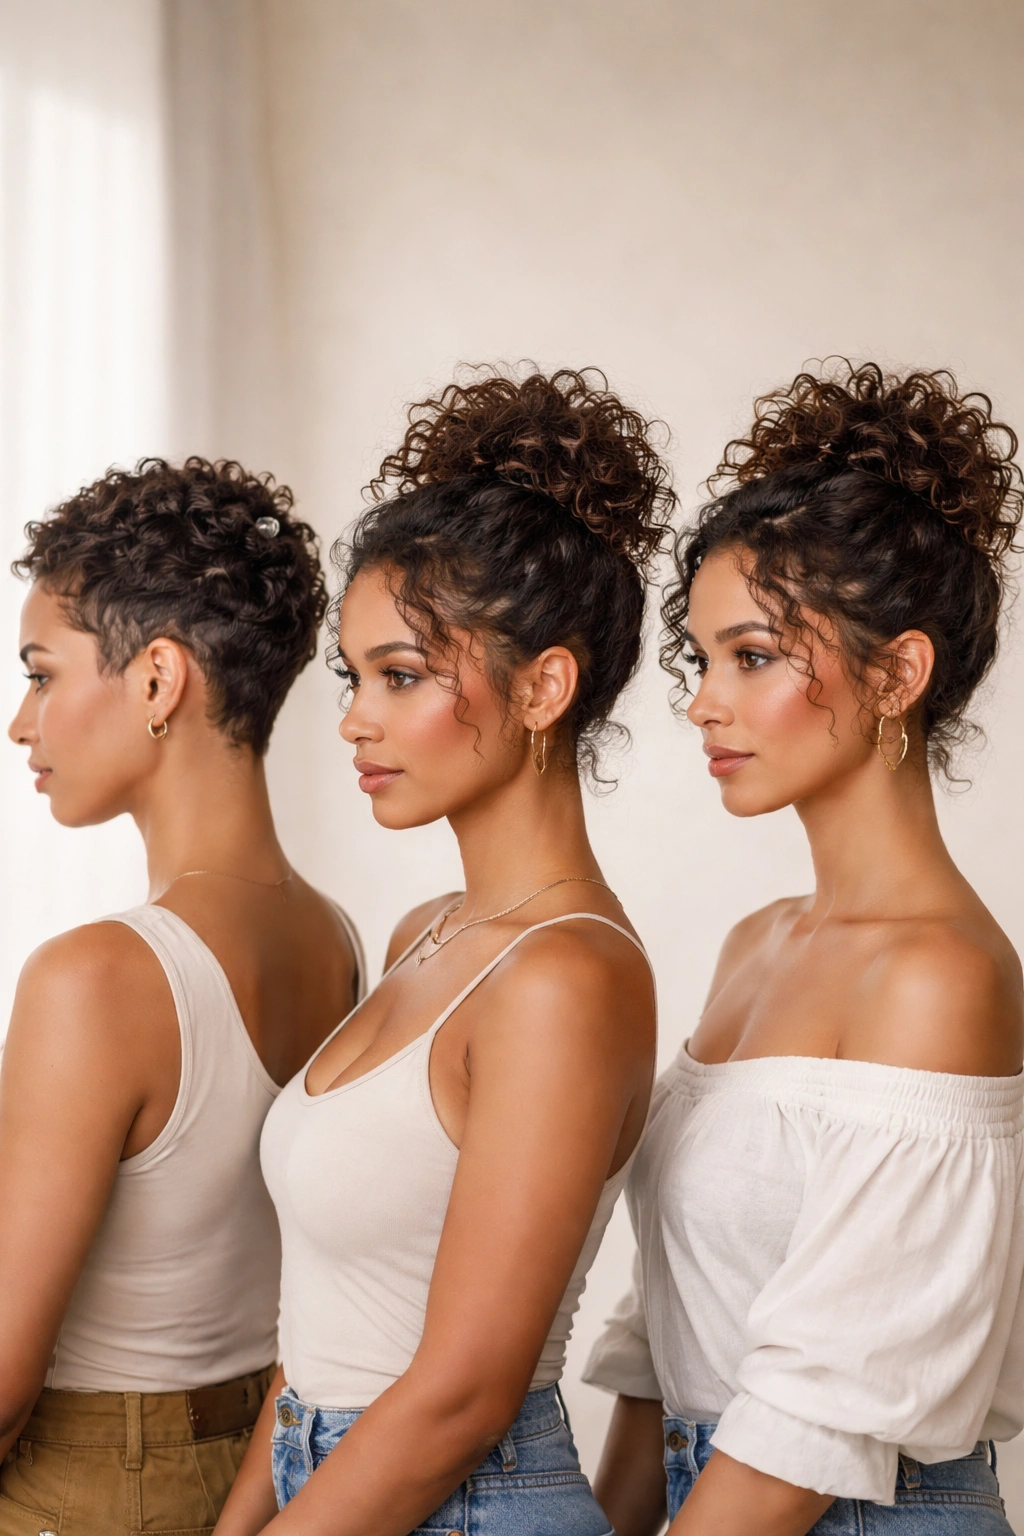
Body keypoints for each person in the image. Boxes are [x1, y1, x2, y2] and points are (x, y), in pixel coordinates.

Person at [214, 368, 665, 1536]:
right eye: (353, 678)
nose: (356, 718)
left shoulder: (568, 976)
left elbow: (461, 1394)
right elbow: (324, 1331)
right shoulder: (431, 933)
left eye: (402, 677)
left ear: (544, 687)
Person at [586, 362, 1024, 1536]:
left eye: (754, 656)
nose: (702, 704)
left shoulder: (942, 978)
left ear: (897, 672)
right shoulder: (754, 945)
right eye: (702, 660)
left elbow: (812, 1417)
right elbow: (666, 1327)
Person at [0, 458, 363, 1536]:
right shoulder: (331, 940)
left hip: (84, 1481)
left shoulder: (97, 977)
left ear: (158, 681)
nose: (23, 724)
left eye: (41, 674)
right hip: (254, 1464)